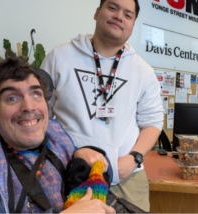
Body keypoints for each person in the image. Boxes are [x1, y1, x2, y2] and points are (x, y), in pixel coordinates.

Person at [41, 0, 164, 211]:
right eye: (112, 8)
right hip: (68, 172)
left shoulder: (143, 71)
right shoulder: (59, 57)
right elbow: (42, 115)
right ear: (97, 13)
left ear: (133, 26)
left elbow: (152, 122)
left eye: (128, 15)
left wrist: (134, 158)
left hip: (125, 179)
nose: (119, 16)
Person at [0, 55, 115, 214]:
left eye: (36, 94)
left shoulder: (53, 135)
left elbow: (102, 172)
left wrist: (85, 155)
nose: (29, 107)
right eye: (12, 98)